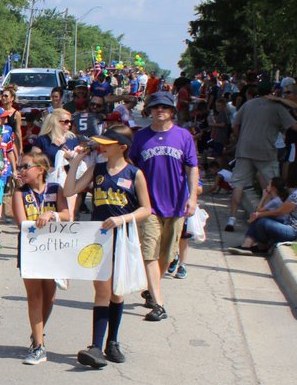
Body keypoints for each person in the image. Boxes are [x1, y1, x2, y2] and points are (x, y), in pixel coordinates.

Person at [64, 126, 152, 368]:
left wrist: (123, 219)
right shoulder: (97, 169)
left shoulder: (135, 173)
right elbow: (70, 190)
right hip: (99, 237)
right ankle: (95, 345)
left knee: (117, 289)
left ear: (122, 147)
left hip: (122, 236)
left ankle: (112, 342)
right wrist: (75, 163)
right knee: (102, 289)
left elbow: (146, 209)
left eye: (107, 143)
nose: (101, 146)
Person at [129, 92, 199, 322]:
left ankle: (152, 288)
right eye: (156, 107)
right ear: (149, 110)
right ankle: (159, 304)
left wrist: (192, 198)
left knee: (167, 255)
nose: (160, 110)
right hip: (148, 205)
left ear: (172, 111)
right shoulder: (141, 137)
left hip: (176, 205)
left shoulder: (183, 136)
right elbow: (131, 167)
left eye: (165, 107)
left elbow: (192, 167)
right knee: (149, 252)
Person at [11, 151, 70, 364]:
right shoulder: (20, 193)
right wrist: (38, 219)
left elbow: (66, 215)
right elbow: (22, 223)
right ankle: (38, 345)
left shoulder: (55, 189)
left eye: (25, 166)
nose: (21, 170)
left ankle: (38, 332)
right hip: (31, 249)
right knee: (34, 296)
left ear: (40, 170)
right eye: (19, 167)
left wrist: (51, 214)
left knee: (49, 297)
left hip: (53, 249)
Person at [227, 82, 297, 230]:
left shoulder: (248, 104)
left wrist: (240, 139)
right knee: (273, 185)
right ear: (272, 92)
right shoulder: (277, 107)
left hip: (244, 149)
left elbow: (235, 125)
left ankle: (231, 219)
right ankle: (268, 218)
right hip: (266, 151)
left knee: (238, 184)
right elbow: (295, 126)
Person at [228, 178, 297, 253]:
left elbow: (280, 212)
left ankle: (261, 247)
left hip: (296, 232)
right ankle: (247, 245)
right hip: (293, 227)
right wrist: (260, 214)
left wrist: (259, 215)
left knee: (262, 222)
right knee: (261, 218)